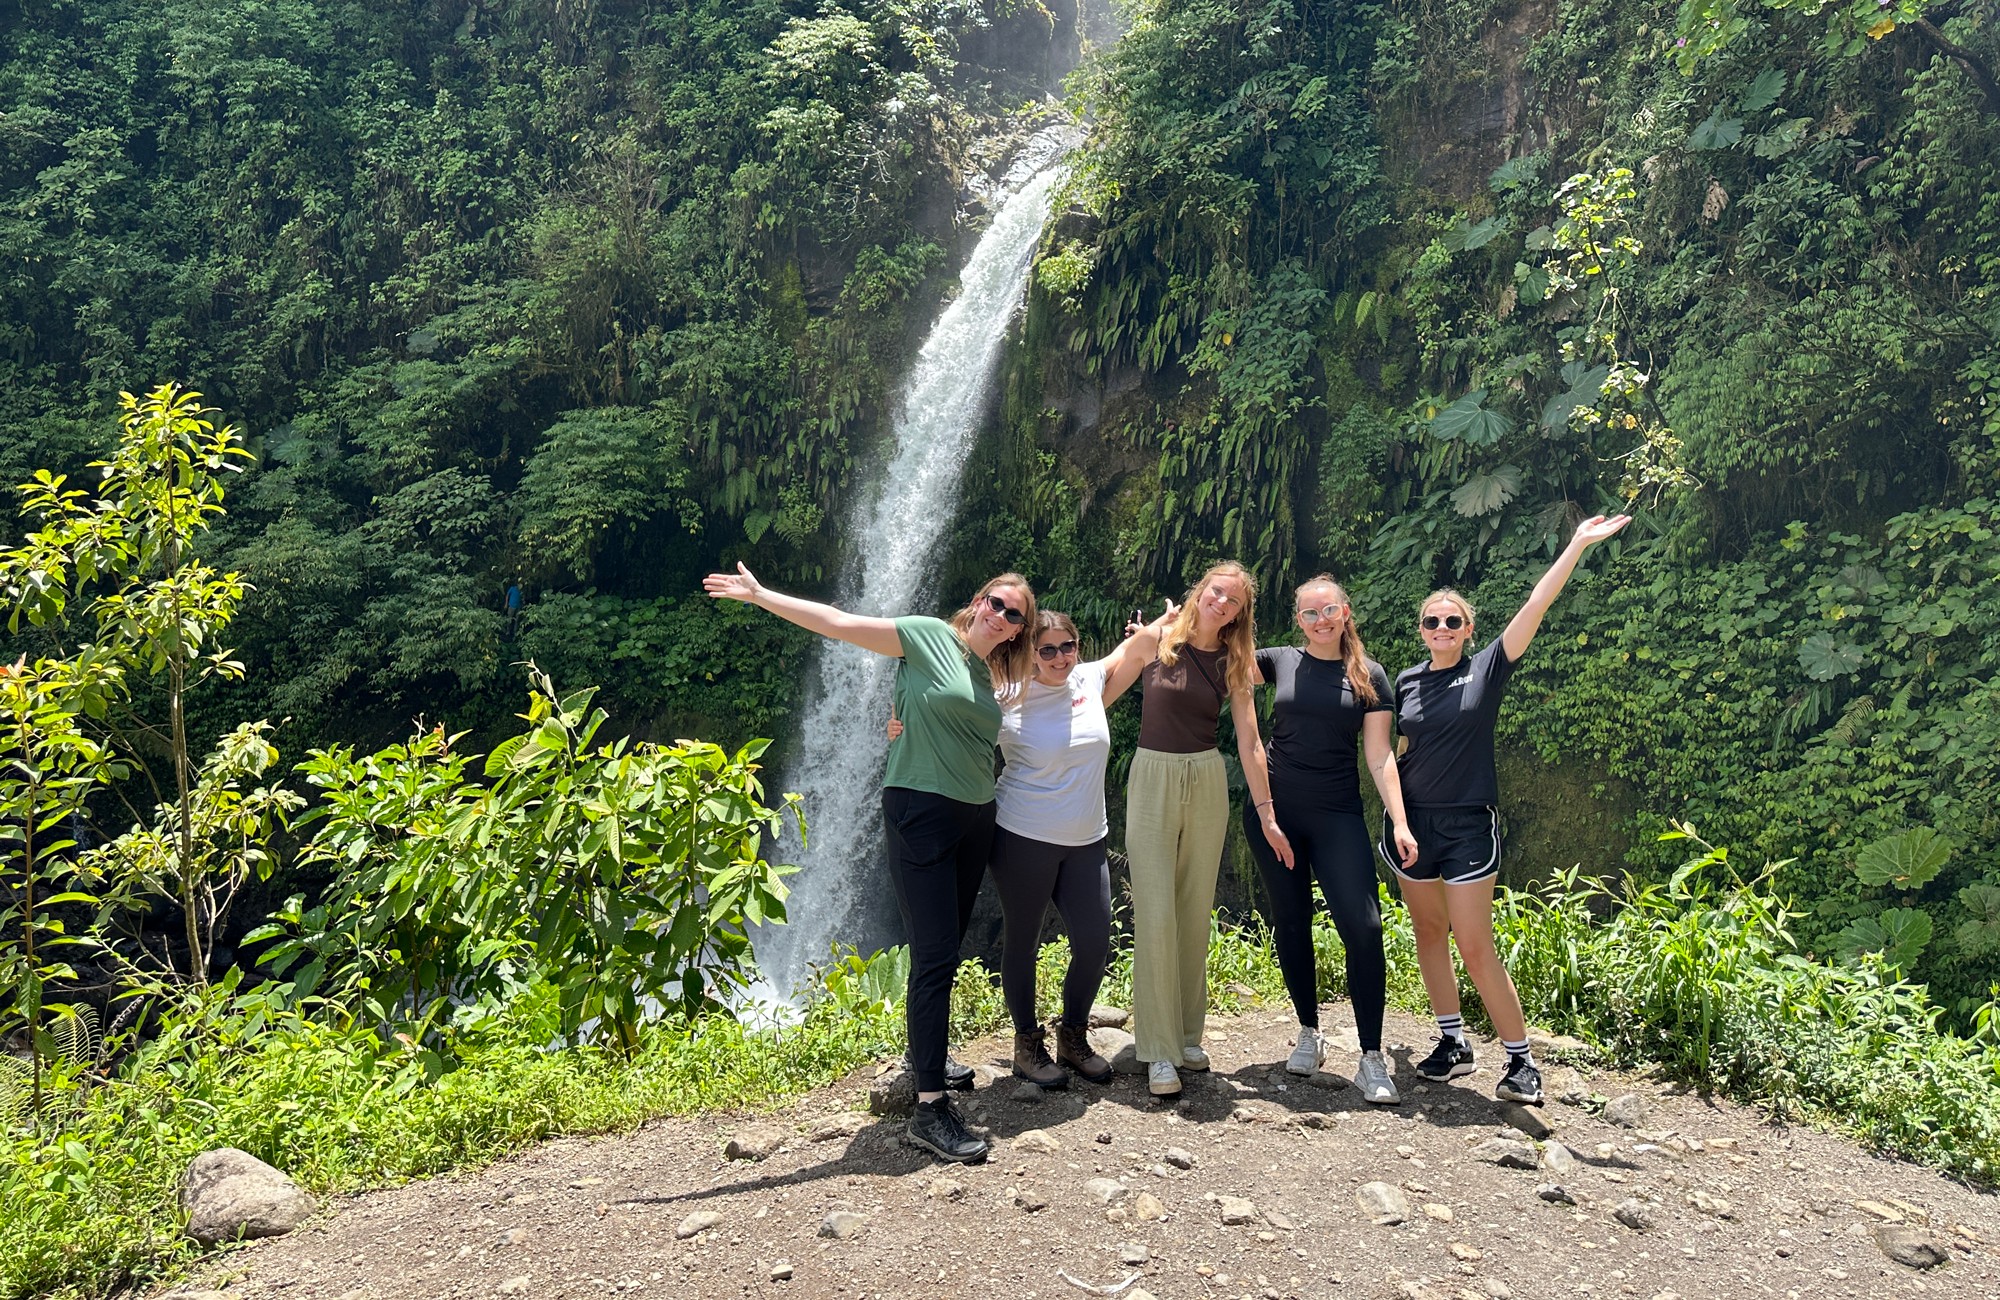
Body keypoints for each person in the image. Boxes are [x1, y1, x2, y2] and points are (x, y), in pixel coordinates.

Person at [703, 562, 1036, 1162]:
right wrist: (760, 596)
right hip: (921, 811)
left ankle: (923, 1055)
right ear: (978, 600)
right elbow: (838, 623)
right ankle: (929, 1109)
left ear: (1017, 631)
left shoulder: (989, 678)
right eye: (995, 601)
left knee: (945, 948)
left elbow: (1079, 677)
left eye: (1014, 614)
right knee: (935, 955)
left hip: (974, 819)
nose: (1000, 614)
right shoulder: (928, 634)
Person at [1386, 515, 1632, 1106]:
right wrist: (1395, 817)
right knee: (1427, 931)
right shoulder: (1406, 682)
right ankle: (1453, 1043)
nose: (1441, 627)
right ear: (1421, 630)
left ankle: (1521, 1060)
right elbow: (1396, 752)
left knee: (1474, 942)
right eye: (1431, 621)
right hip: (1413, 824)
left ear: (1469, 630)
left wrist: (1575, 544)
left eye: (1452, 620)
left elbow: (1537, 601)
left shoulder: (1487, 667)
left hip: (1471, 823)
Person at [895, 606, 1174, 1090]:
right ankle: (1026, 1043)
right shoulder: (1004, 696)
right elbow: (948, 713)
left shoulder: (1090, 680)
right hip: (1022, 834)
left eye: (1068, 646)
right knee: (1022, 941)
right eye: (1047, 649)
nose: (1060, 657)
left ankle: (1072, 1035)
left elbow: (1140, 647)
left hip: (1087, 837)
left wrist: (1171, 620)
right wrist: (900, 720)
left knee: (1094, 943)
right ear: (1030, 652)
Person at [1243, 576, 1418, 1103]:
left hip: (1338, 814)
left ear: (1345, 612)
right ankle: (1309, 1032)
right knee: (1291, 921)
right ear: (1298, 620)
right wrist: (1158, 635)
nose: (1320, 620)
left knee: (1364, 927)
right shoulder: (1277, 661)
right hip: (1274, 814)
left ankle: (1370, 1056)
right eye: (1309, 612)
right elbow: (1213, 664)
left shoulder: (1371, 676)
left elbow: (1380, 755)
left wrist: (1400, 820)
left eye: (1329, 610)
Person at [1126, 561, 1291, 1098]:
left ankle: (1187, 1034)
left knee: (1194, 906)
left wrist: (1266, 812)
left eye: (1234, 600)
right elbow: (1098, 687)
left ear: (1241, 612)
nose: (1222, 603)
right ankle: (1156, 1049)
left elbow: (1250, 740)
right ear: (1201, 590)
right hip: (1151, 772)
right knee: (1154, 909)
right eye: (1217, 592)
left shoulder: (1234, 659)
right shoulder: (1156, 638)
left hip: (1206, 776)